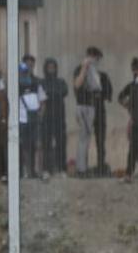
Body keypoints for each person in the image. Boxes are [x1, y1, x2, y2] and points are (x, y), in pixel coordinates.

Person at [72, 47, 112, 175]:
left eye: (97, 58)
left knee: (101, 140)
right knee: (84, 138)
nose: (95, 60)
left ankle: (100, 166)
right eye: (93, 57)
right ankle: (82, 169)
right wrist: (84, 68)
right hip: (85, 108)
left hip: (99, 110)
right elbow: (77, 85)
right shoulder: (79, 70)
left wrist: (99, 94)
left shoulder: (102, 76)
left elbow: (108, 93)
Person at [40, 59, 68, 175]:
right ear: (45, 69)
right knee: (46, 144)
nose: (51, 69)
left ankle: (62, 169)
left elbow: (64, 91)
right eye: (49, 67)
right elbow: (42, 95)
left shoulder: (61, 81)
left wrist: (49, 93)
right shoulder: (41, 82)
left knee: (61, 144)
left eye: (53, 67)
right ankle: (47, 169)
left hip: (59, 118)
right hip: (46, 118)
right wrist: (53, 93)